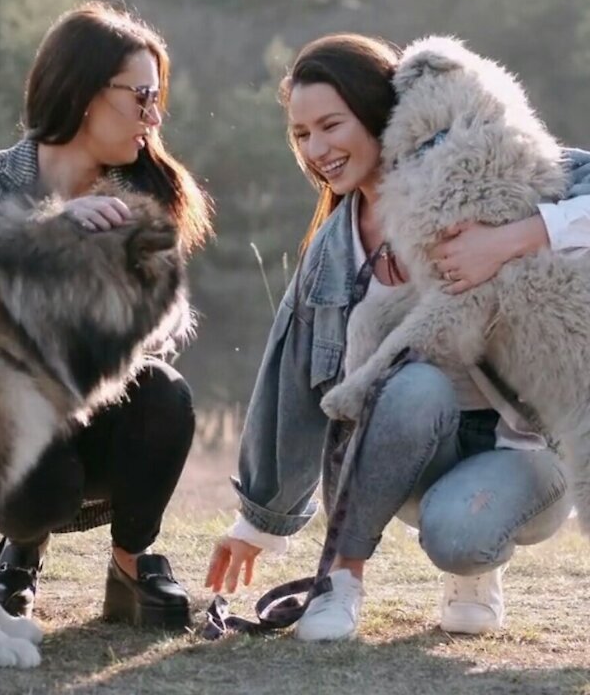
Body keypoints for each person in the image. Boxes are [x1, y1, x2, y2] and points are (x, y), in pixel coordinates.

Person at [205, 33, 590, 641]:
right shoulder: (332, 255)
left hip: (530, 452)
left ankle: (475, 566)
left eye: (331, 125)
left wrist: (513, 237)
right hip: (411, 450)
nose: (317, 149)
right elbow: (291, 384)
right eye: (302, 134)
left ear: (377, 112)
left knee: (460, 535)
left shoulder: (499, 167)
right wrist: (258, 522)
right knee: (410, 384)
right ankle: (340, 580)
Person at [0, 1, 211, 628]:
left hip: (100, 407)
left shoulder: (147, 195)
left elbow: (170, 323)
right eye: (141, 97)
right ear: (83, 92)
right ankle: (20, 547)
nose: (154, 118)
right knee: (36, 489)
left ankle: (133, 563)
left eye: (158, 99)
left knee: (166, 395)